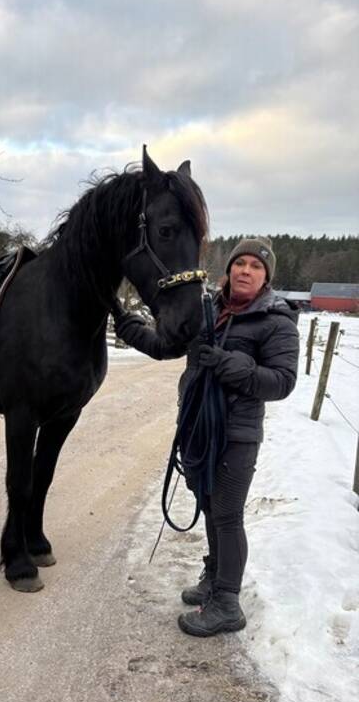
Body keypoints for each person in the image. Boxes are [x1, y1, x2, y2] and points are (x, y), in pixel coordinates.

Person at [114, 237, 300, 637]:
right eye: (240, 263)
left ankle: (227, 603)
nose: (246, 270)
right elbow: (166, 345)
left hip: (237, 434)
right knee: (211, 508)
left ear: (266, 277)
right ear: (229, 269)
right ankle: (215, 577)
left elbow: (282, 382)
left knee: (228, 515)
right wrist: (127, 325)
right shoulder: (206, 310)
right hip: (198, 428)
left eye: (256, 266)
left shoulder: (277, 321)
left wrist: (229, 365)